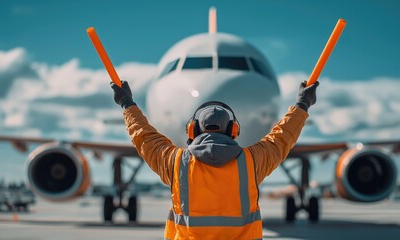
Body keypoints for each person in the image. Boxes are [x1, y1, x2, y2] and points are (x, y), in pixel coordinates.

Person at [111, 80, 319, 240]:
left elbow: (144, 137)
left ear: (192, 130)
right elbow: (281, 138)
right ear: (233, 130)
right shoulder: (252, 161)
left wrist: (127, 103)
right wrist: (303, 104)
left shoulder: (175, 162)